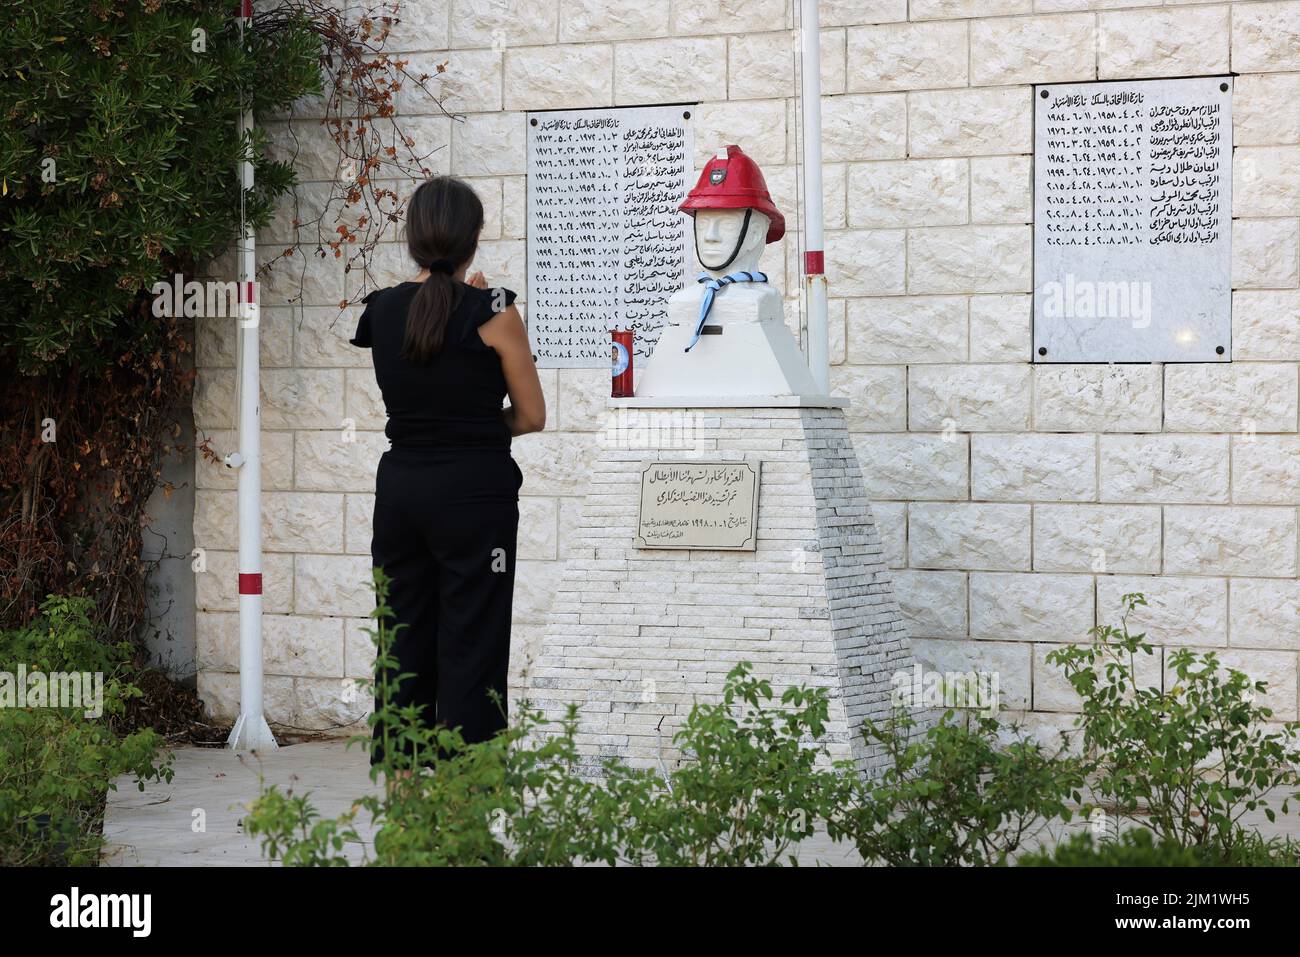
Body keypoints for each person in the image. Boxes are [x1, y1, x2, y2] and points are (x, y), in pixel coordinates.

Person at [349, 175, 545, 772]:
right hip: (474, 495)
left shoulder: (379, 310)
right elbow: (532, 417)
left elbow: (425, 372)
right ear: (474, 239)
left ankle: (402, 804)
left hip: (401, 491)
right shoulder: (496, 310)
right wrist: (478, 425)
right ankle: (467, 804)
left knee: (401, 635)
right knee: (473, 639)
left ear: (411, 238)